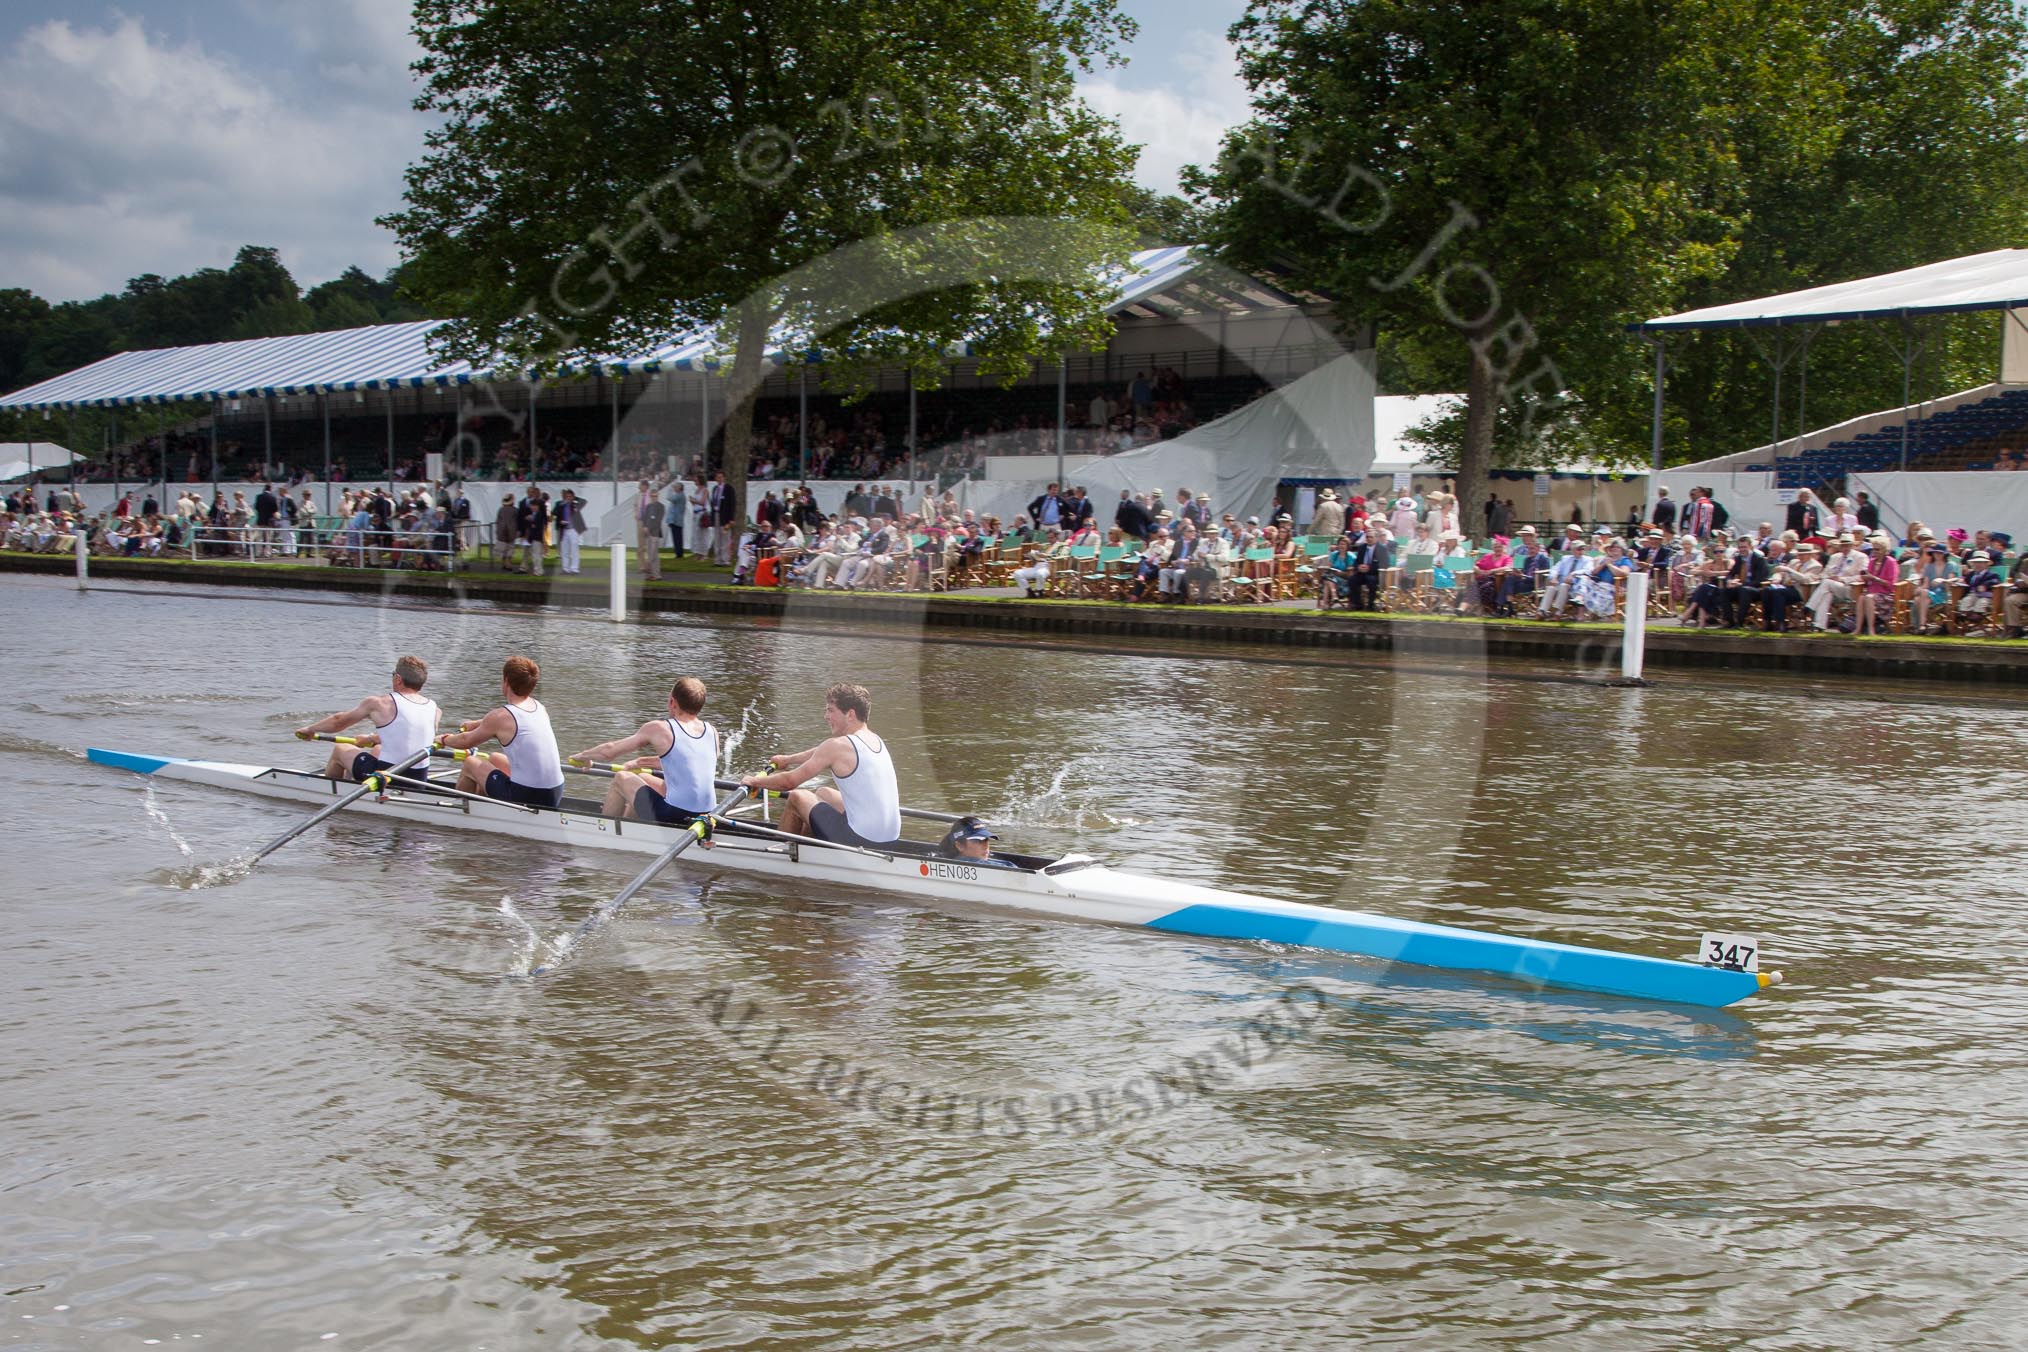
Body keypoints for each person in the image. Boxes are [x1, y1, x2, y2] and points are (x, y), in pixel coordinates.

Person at [741, 683, 900, 847]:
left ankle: (780, 855)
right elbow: (820, 752)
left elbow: (789, 782)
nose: (826, 716)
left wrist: (754, 782)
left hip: (861, 840)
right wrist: (788, 760)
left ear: (850, 714)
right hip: (889, 838)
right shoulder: (875, 740)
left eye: (831, 710)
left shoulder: (837, 746)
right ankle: (811, 847)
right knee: (824, 793)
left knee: (797, 797)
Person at [570, 676, 720, 823]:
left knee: (621, 778)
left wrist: (583, 756)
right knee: (642, 777)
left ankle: (605, 831)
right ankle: (630, 825)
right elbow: (687, 762)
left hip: (676, 814)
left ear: (672, 702)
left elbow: (609, 751)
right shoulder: (712, 731)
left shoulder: (659, 728)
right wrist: (639, 763)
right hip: (709, 813)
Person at [440, 655, 567, 808]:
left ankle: (462, 812)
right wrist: (476, 724)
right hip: (555, 792)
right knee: (495, 759)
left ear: (506, 681)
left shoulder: (500, 716)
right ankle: (484, 806)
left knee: (470, 763)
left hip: (528, 795)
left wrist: (443, 739)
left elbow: (465, 741)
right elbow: (512, 723)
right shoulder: (539, 708)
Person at [294, 654, 441, 784]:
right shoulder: (434, 709)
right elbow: (409, 734)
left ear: (398, 679)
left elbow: (338, 721)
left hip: (385, 777)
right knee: (377, 748)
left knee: (340, 749)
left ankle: (333, 791)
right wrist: (372, 738)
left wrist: (310, 729)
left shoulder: (379, 703)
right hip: (418, 779)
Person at [934, 816, 1021, 869]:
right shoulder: (1007, 866)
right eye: (978, 841)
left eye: (986, 839)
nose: (986, 846)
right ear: (959, 846)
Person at [638, 484, 665, 580]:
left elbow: (658, 520)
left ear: (658, 496)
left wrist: (648, 528)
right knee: (652, 554)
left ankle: (654, 573)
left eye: (655, 496)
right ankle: (655, 574)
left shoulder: (661, 507)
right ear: (650, 496)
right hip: (648, 533)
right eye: (652, 496)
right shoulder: (648, 506)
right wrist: (645, 526)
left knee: (653, 554)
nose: (654, 498)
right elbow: (645, 518)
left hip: (655, 533)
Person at [554, 489, 585, 574]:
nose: (568, 498)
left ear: (573, 497)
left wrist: (574, 498)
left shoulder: (575, 505)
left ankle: (574, 568)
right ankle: (565, 568)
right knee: (564, 550)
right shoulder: (561, 505)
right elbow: (557, 516)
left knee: (574, 549)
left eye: (570, 496)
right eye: (567, 496)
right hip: (564, 529)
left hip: (573, 529)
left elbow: (584, 501)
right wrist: (560, 522)